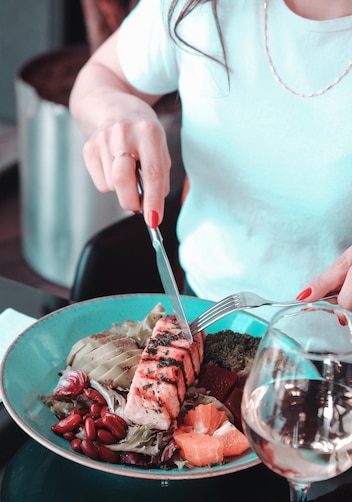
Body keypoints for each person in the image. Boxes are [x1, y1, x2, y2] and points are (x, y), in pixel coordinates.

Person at [69, 0, 352, 311]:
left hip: (337, 341)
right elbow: (104, 75)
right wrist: (116, 112)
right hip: (207, 314)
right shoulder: (199, 7)